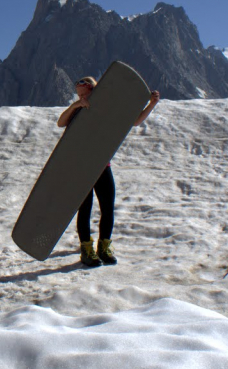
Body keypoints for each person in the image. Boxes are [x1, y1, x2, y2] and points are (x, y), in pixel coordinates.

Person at [57, 76, 160, 266]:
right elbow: (61, 123)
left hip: (102, 165)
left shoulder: (109, 109)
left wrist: (151, 104)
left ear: (94, 92)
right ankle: (86, 249)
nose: (80, 97)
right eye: (78, 94)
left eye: (83, 94)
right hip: (80, 168)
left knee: (107, 207)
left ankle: (104, 247)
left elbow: (135, 121)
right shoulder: (77, 111)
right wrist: (75, 106)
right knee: (85, 208)